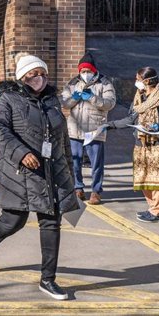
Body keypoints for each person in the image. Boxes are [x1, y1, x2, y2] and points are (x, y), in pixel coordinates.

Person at [0, 53, 79, 301]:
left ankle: (48, 280)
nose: (39, 78)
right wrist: (21, 153)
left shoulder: (52, 101)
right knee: (14, 220)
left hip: (50, 172)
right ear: (23, 77)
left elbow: (62, 138)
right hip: (19, 171)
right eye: (33, 74)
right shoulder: (8, 100)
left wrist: (69, 175)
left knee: (51, 223)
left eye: (42, 73)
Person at [103, 67, 159, 223]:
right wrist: (110, 125)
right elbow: (131, 119)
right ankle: (153, 208)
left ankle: (158, 212)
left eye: (138, 79)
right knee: (144, 178)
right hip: (141, 144)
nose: (136, 82)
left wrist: (158, 126)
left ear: (147, 81)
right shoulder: (139, 98)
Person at [61, 52, 116, 205]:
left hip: (94, 129)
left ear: (93, 70)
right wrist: (75, 98)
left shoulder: (104, 83)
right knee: (74, 161)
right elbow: (64, 103)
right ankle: (78, 188)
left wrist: (92, 97)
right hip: (75, 129)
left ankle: (96, 191)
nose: (85, 74)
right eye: (82, 71)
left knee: (96, 162)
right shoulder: (73, 83)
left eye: (88, 71)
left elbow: (110, 103)